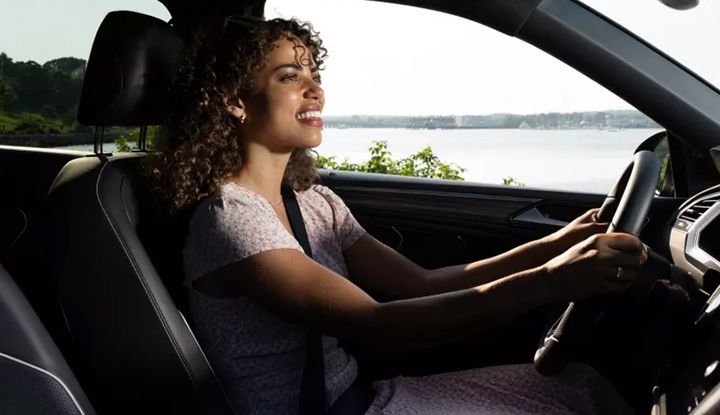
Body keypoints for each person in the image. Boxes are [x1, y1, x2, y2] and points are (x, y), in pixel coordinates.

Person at [150, 16, 647, 415]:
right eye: (289, 77)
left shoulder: (315, 202)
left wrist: (557, 245)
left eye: (314, 76)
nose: (314, 91)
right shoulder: (231, 218)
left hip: (362, 398)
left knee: (579, 387)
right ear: (235, 102)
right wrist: (553, 280)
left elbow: (423, 283)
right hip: (330, 409)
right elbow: (380, 324)